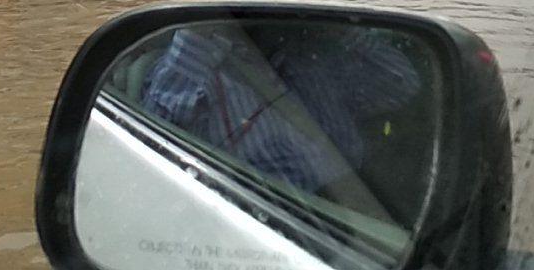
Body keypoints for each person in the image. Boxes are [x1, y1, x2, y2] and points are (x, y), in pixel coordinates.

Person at [139, 25, 421, 198]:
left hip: (358, 223)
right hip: (266, 228)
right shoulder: (199, 77)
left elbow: (402, 85)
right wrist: (199, 34)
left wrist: (341, 30)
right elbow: (153, 157)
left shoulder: (315, 60)